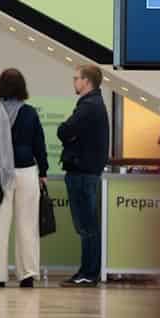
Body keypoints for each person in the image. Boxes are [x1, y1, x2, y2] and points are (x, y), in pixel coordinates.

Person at [0, 68, 47, 289]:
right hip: (26, 171)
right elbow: (39, 145)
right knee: (27, 226)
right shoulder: (30, 113)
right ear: (22, 88)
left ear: (0, 87)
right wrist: (43, 172)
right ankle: (28, 275)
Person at [58, 64, 109, 287]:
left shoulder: (88, 106)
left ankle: (88, 272)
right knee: (88, 226)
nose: (74, 82)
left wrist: (68, 134)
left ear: (86, 81)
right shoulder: (94, 104)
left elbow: (65, 131)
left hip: (82, 173)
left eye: (76, 78)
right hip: (86, 171)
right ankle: (87, 271)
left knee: (87, 226)